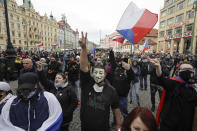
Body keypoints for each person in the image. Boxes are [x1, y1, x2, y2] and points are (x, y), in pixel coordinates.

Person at [79, 32, 121, 131]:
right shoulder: (87, 83)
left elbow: (116, 107)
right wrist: (84, 49)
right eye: (95, 73)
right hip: (86, 127)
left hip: (103, 127)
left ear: (105, 74)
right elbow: (84, 66)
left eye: (100, 73)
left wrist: (119, 124)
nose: (97, 75)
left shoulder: (111, 90)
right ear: (92, 73)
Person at [149, 58, 197, 131]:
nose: (187, 71)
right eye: (184, 69)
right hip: (169, 126)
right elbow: (161, 79)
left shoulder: (195, 88)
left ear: (194, 71)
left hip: (186, 127)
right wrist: (158, 68)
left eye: (190, 69)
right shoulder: (174, 83)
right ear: (178, 72)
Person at [37, 62, 78, 131]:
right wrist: (40, 71)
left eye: (59, 78)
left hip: (64, 118)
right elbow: (44, 81)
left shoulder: (69, 89)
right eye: (56, 78)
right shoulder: (52, 86)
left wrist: (66, 113)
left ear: (64, 80)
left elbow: (74, 103)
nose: (57, 79)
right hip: (52, 116)